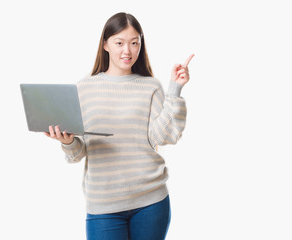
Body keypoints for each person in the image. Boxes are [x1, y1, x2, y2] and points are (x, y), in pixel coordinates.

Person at [45, 12, 194, 240]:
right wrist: (67, 141)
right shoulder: (84, 88)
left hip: (151, 201)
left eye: (134, 43)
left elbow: (162, 137)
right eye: (119, 43)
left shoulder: (150, 86)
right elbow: (78, 153)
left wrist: (174, 89)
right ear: (105, 44)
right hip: (103, 205)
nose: (127, 51)